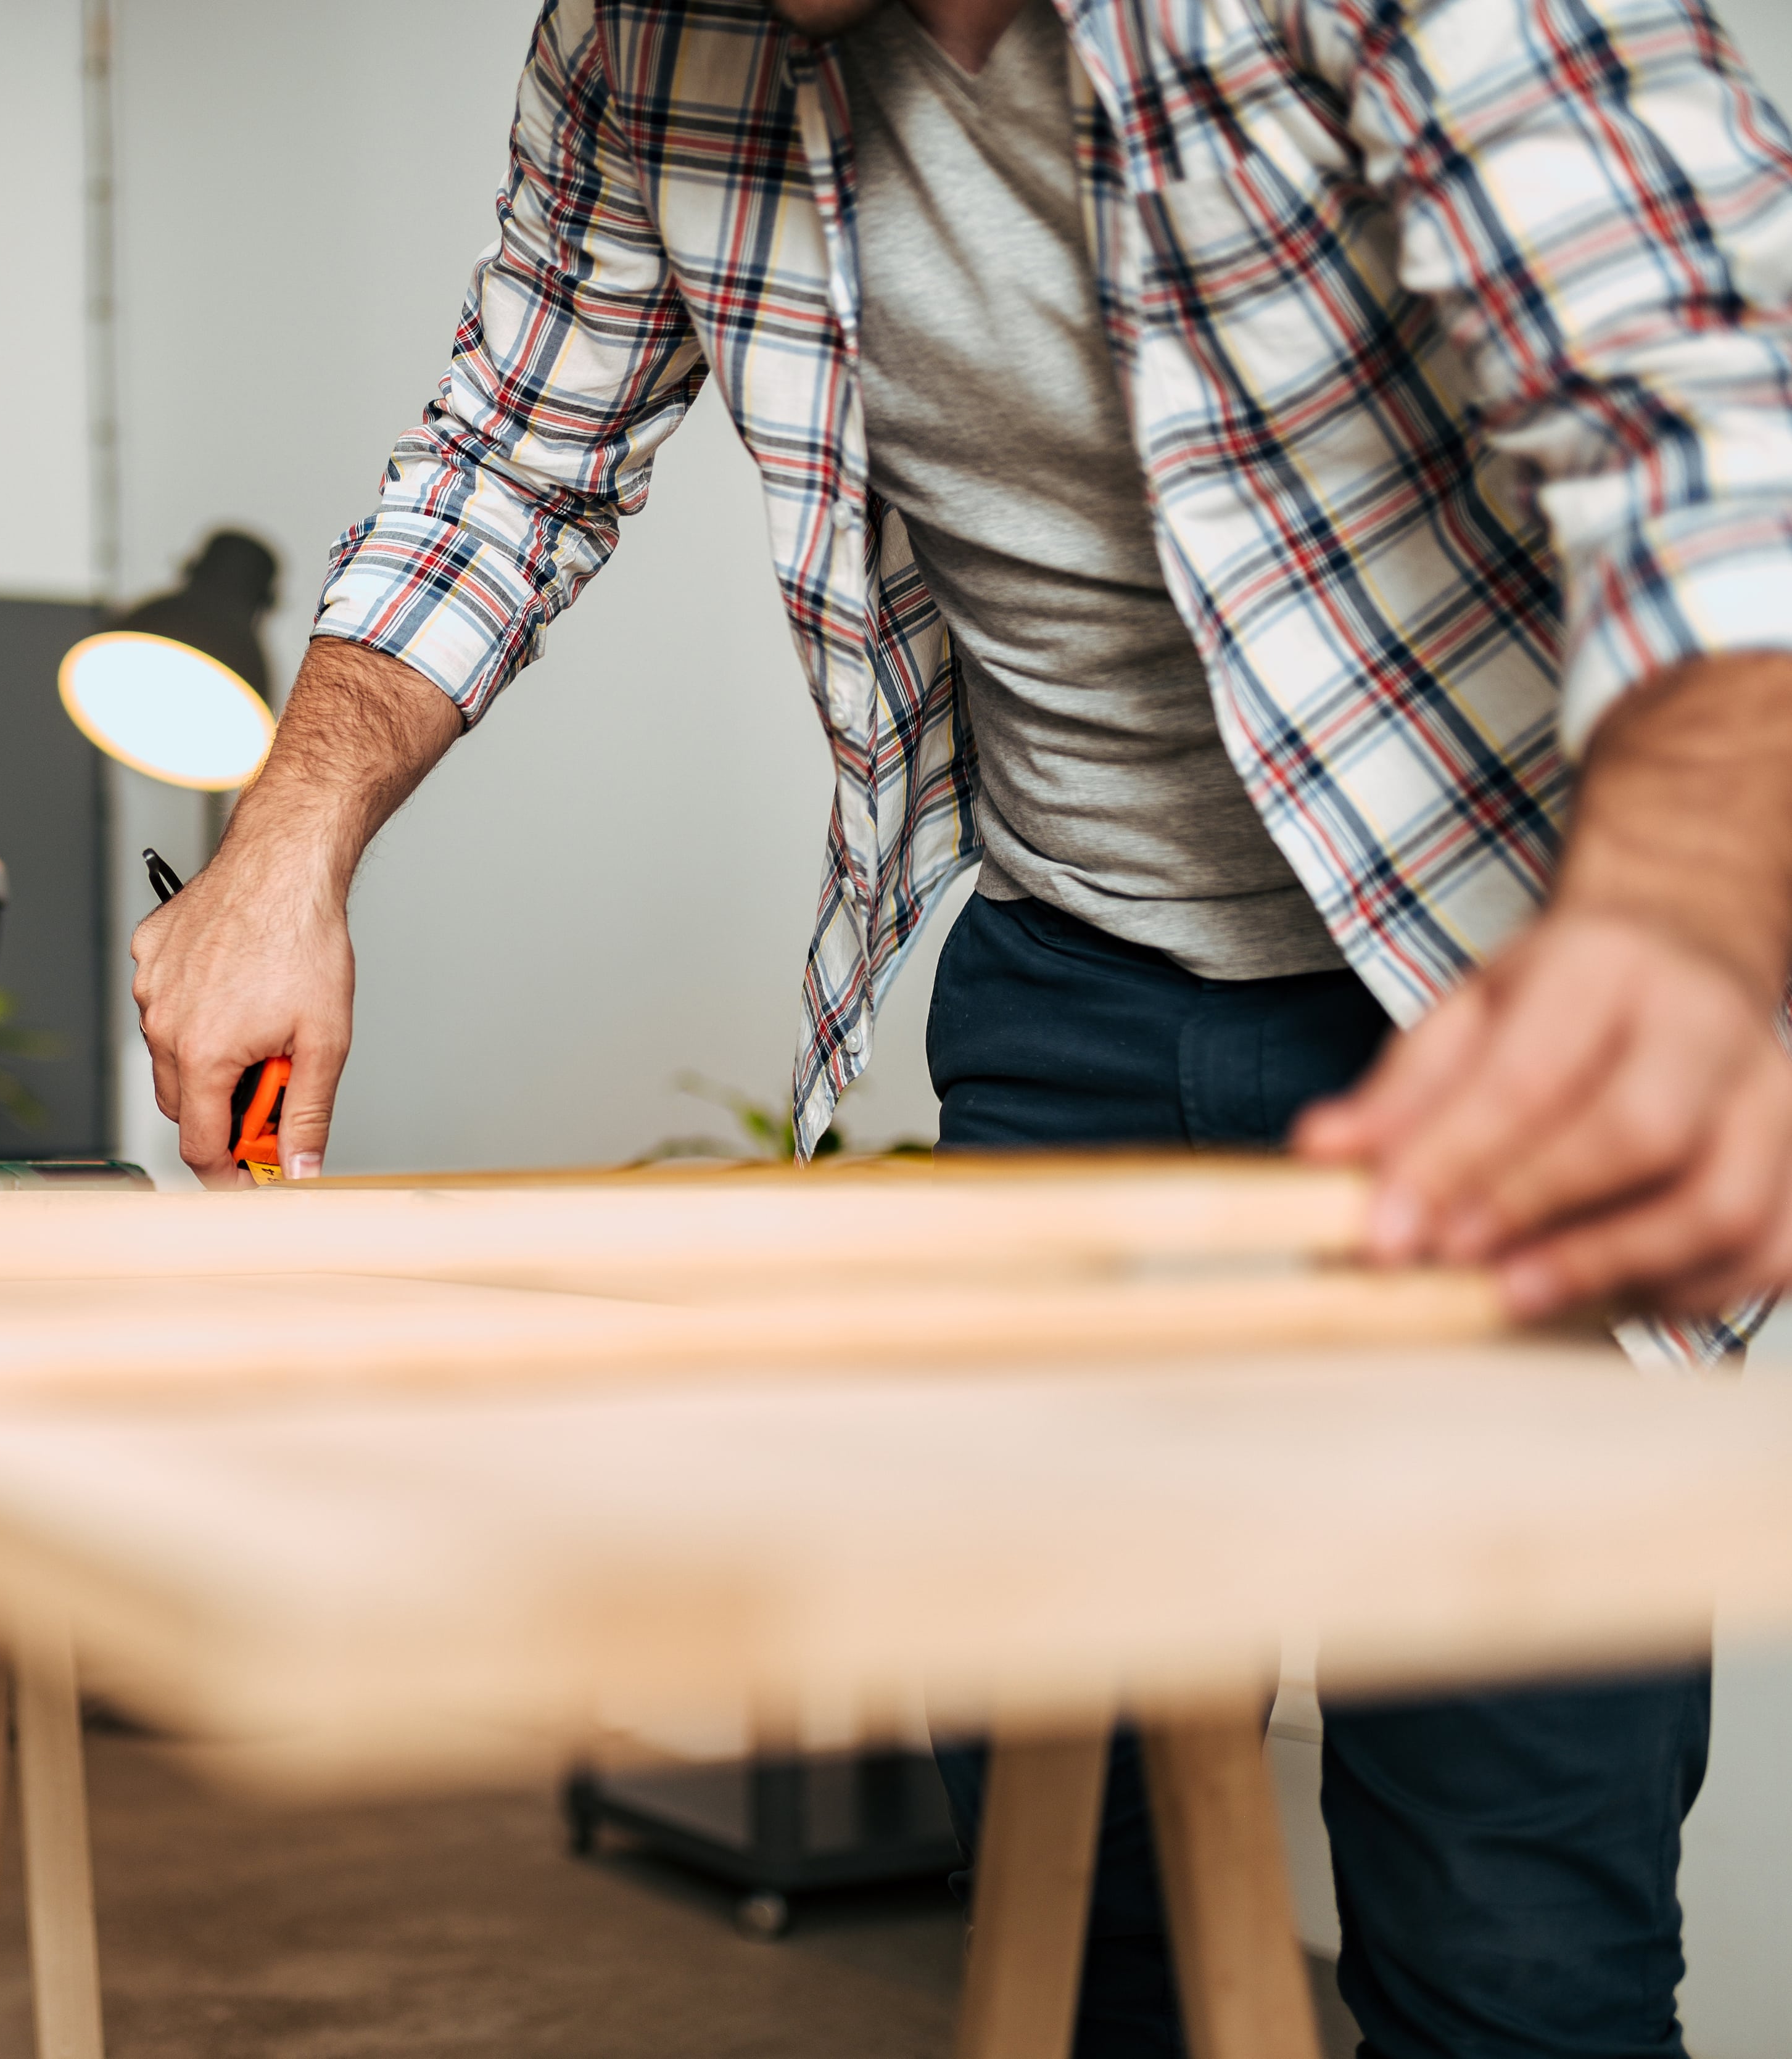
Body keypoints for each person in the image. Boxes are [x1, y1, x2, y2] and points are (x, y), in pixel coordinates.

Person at [128, 0, 1792, 2049]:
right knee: (1064, 1887)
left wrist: (1683, 938)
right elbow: (506, 454)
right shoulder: (648, 35)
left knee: (1515, 1943)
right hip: (1069, 1004)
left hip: (1489, 1008)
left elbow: (1711, 417)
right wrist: (283, 846)